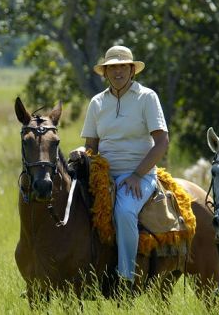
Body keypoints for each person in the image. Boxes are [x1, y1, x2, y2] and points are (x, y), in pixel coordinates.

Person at [71, 45, 169, 288]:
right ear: (105, 72)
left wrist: (137, 175)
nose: (117, 72)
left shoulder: (147, 97)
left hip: (139, 174)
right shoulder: (97, 102)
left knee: (124, 212)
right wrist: (80, 152)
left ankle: (126, 277)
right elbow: (91, 145)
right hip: (102, 175)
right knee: (71, 206)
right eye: (112, 67)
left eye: (122, 66)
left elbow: (161, 142)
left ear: (132, 70)